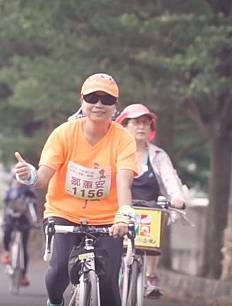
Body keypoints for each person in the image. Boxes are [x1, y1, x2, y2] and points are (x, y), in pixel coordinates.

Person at [13, 73, 138, 306]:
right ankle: (55, 301)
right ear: (82, 100)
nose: (99, 104)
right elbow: (42, 178)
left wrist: (124, 213)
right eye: (92, 97)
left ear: (115, 106)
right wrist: (29, 175)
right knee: (59, 269)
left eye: (107, 99)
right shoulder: (64, 133)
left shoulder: (123, 139)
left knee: (110, 281)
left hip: (107, 219)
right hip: (64, 213)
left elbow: (124, 181)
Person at [115, 103, 186, 298]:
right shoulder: (115, 152)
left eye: (146, 123)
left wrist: (177, 198)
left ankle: (151, 275)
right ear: (124, 126)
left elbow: (170, 180)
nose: (142, 127)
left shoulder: (158, 155)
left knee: (155, 228)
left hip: (150, 210)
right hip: (119, 209)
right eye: (136, 122)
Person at [0, 174, 38, 287]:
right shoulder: (8, 192)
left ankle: (23, 275)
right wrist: (3, 220)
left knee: (24, 249)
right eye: (16, 179)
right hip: (10, 219)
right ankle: (6, 252)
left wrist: (34, 222)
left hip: (24, 221)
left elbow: (32, 209)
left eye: (21, 180)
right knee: (6, 232)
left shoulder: (29, 193)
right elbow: (5, 209)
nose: (18, 182)